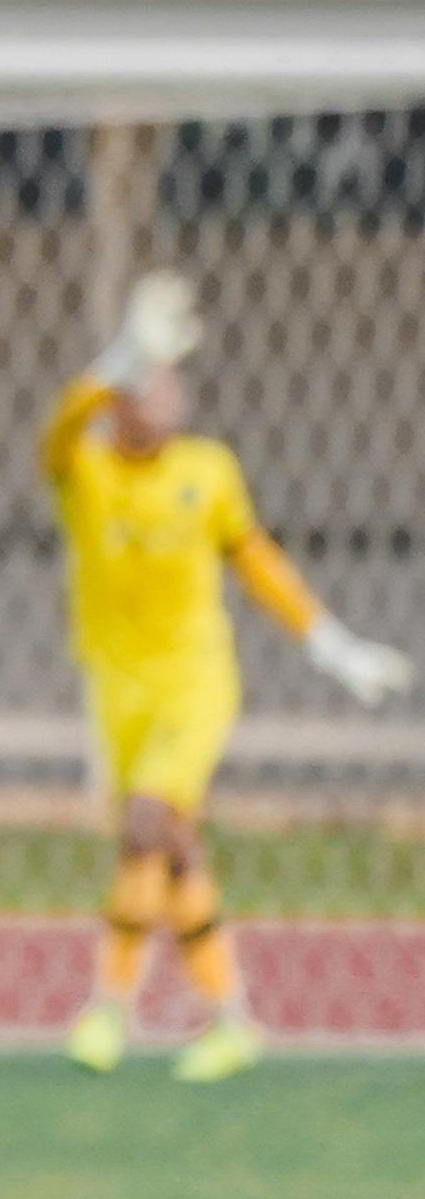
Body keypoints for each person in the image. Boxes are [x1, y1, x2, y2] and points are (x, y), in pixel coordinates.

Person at [43, 271, 411, 1079]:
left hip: (195, 679)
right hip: (118, 684)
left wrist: (333, 646)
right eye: (146, 381)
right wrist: (117, 358)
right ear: (117, 401)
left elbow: (256, 561)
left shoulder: (209, 470)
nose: (165, 394)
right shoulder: (89, 471)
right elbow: (56, 432)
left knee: (147, 821)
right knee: (171, 844)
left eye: (170, 378)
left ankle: (110, 1006)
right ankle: (232, 1017)